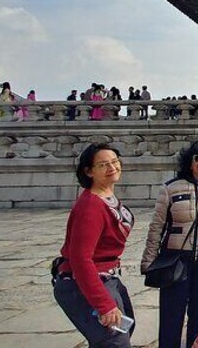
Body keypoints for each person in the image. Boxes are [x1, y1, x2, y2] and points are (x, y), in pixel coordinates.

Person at [141, 139, 198, 348]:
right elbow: (157, 227)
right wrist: (148, 261)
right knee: (172, 312)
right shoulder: (171, 189)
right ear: (189, 162)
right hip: (177, 258)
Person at [53, 144, 135, 347]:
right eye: (103, 164)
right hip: (83, 282)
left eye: (115, 161)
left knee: (120, 332)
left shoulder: (106, 197)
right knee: (114, 340)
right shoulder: (91, 206)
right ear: (89, 171)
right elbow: (81, 258)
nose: (112, 167)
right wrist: (104, 304)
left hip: (107, 277)